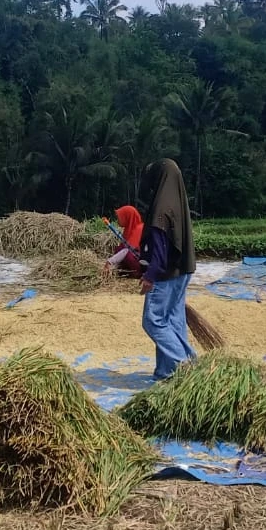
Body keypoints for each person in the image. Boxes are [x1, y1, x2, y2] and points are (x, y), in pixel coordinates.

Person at [139, 159, 196, 381]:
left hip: (166, 273)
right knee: (172, 320)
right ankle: (166, 372)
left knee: (153, 320)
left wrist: (149, 276)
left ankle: (184, 364)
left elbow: (161, 249)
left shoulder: (161, 207)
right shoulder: (178, 203)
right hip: (183, 271)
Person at [104, 204, 145, 278]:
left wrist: (109, 262)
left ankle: (136, 273)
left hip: (142, 264)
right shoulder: (129, 230)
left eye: (120, 217)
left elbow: (128, 250)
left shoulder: (139, 229)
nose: (118, 220)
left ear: (127, 217)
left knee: (127, 253)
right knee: (119, 248)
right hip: (138, 260)